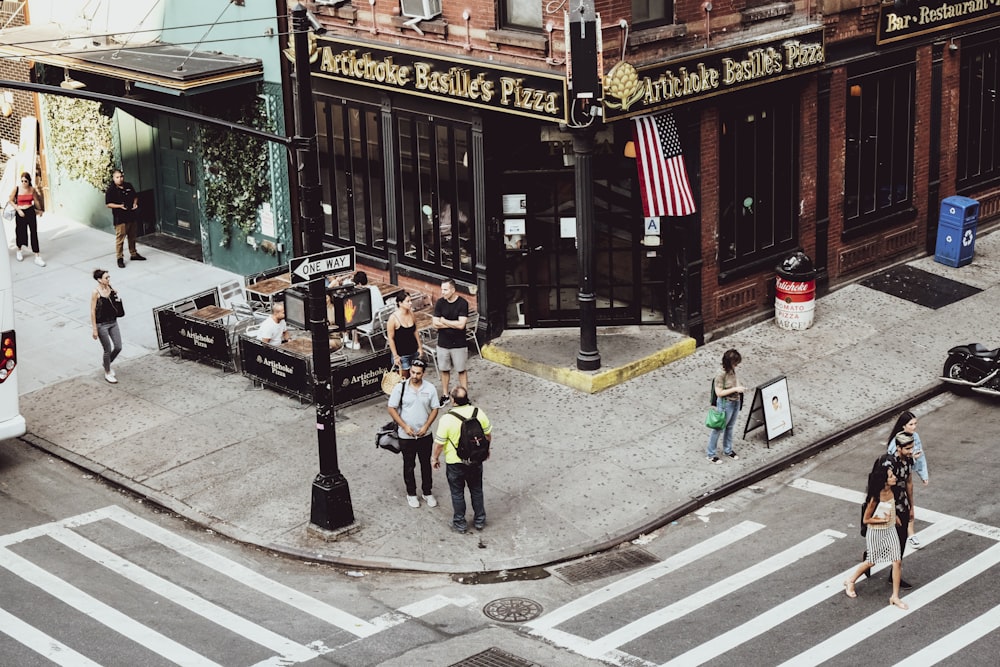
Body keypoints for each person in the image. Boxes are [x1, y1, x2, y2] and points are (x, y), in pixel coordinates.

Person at [843, 455, 909, 610]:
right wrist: (883, 520)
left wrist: (895, 518)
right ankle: (850, 580)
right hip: (877, 532)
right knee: (872, 561)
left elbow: (891, 507)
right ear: (884, 481)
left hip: (890, 529)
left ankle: (895, 596)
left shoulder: (891, 490)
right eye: (891, 476)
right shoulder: (875, 497)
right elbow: (866, 519)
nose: (894, 477)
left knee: (897, 561)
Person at [433, 386, 492, 534]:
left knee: (457, 492)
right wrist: (486, 450)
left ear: (452, 400)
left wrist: (434, 458)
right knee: (477, 490)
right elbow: (488, 435)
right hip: (475, 460)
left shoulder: (446, 419)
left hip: (455, 462)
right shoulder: (478, 413)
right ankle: (480, 520)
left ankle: (460, 523)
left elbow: (439, 444)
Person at [387, 358, 440, 509]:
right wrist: (404, 426)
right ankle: (411, 493)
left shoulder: (430, 389)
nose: (415, 376)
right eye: (412, 372)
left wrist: (426, 426)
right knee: (409, 465)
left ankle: (427, 492)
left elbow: (435, 408)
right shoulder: (401, 388)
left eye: (418, 373)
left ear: (423, 373)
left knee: (426, 464)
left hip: (425, 434)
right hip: (406, 436)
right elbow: (391, 408)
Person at [886, 410, 929, 550]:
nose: (914, 427)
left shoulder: (915, 437)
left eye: (915, 423)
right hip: (894, 482)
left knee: (909, 506)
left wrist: (924, 475)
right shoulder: (895, 444)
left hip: (906, 476)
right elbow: (894, 462)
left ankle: (910, 534)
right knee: (892, 510)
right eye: (911, 424)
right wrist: (912, 459)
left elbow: (920, 456)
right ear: (903, 426)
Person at [886, 431, 916, 589]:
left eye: (911, 447)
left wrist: (912, 506)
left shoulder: (908, 461)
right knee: (887, 539)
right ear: (898, 448)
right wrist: (893, 514)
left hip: (903, 505)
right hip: (890, 506)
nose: (910, 451)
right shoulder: (890, 463)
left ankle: (893, 574)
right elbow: (886, 490)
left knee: (901, 541)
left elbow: (909, 483)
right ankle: (869, 557)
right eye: (907, 448)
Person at [432, 279, 470, 405]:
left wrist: (444, 321)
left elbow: (461, 325)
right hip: (443, 343)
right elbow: (435, 324)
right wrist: (451, 324)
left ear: (453, 290)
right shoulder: (440, 303)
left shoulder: (462, 303)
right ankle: (445, 394)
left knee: (461, 370)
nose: (442, 292)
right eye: (442, 289)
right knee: (444, 370)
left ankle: (464, 396)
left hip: (459, 343)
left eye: (445, 289)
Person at [706, 348, 746, 464]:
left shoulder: (732, 370)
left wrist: (739, 387)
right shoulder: (720, 374)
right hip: (725, 404)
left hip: (735, 401)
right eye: (735, 363)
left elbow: (735, 379)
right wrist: (735, 389)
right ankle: (710, 453)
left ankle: (727, 450)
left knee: (730, 427)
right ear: (729, 363)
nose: (736, 366)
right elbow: (719, 393)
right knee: (718, 428)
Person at [104, 169, 145, 269]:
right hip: (120, 218)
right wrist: (119, 206)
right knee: (120, 239)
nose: (120, 179)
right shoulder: (111, 190)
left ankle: (134, 254)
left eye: (121, 177)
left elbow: (135, 196)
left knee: (132, 236)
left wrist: (135, 203)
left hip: (131, 215)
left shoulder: (128, 186)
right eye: (117, 177)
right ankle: (119, 258)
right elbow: (108, 204)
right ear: (113, 178)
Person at [90, 269, 122, 384]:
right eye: (106, 278)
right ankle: (107, 372)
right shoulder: (96, 292)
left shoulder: (110, 288)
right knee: (107, 349)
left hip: (113, 321)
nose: (108, 279)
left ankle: (106, 363)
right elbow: (93, 311)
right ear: (99, 280)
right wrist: (94, 329)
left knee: (118, 346)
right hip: (101, 324)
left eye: (109, 277)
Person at [9, 172, 45, 266]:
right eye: (22, 181)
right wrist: (18, 210)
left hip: (30, 211)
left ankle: (37, 256)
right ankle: (19, 250)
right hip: (20, 212)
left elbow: (36, 200)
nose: (24, 183)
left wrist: (40, 210)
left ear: (29, 181)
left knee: (34, 233)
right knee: (20, 232)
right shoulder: (17, 188)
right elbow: (10, 200)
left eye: (26, 181)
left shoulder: (32, 189)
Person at [386, 291, 422, 379]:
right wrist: (395, 356)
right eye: (408, 301)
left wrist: (420, 347)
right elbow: (390, 338)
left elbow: (415, 330)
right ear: (400, 303)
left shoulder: (411, 313)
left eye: (411, 301)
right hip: (402, 355)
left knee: (415, 377)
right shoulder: (393, 318)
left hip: (413, 351)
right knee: (403, 379)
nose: (410, 303)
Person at [349, 271, 384, 350]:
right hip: (380, 321)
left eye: (356, 284)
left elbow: (359, 310)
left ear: (360, 284)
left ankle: (355, 342)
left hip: (370, 324)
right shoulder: (375, 288)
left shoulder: (363, 294)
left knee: (351, 317)